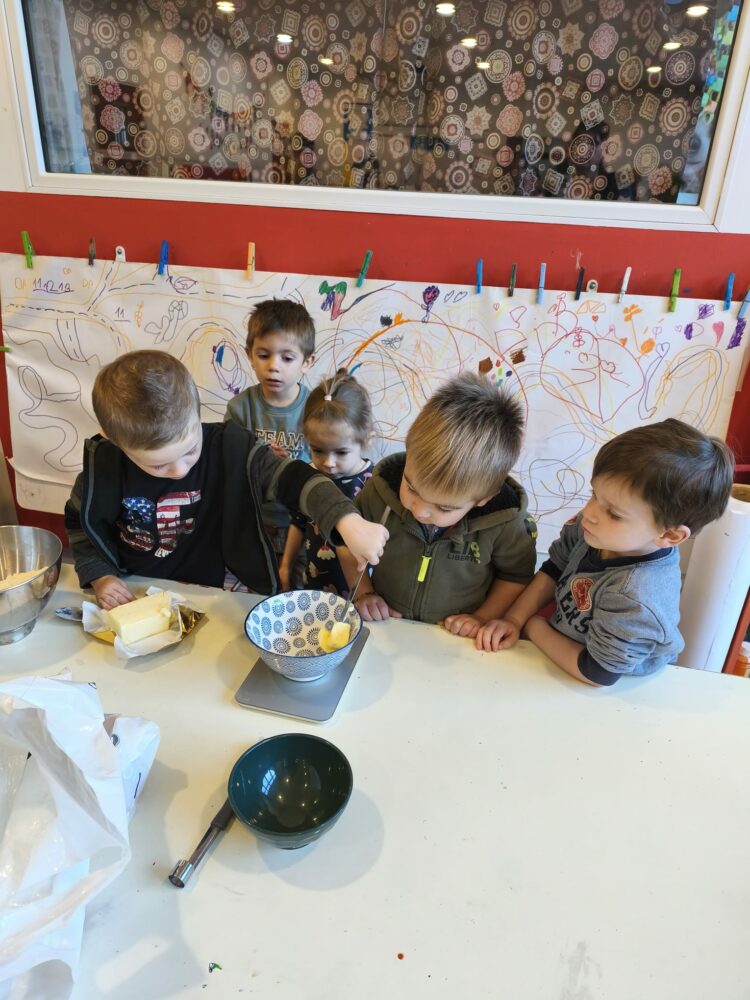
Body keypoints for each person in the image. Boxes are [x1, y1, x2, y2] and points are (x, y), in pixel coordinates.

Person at [64, 351, 388, 609]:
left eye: (190, 450)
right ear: (113, 440)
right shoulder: (103, 470)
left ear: (197, 410)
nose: (179, 470)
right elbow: (83, 529)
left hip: (215, 591)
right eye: (159, 466)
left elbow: (294, 478)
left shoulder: (232, 448)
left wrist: (346, 520)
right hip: (136, 589)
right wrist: (101, 576)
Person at [477, 419, 735, 686]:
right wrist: (513, 619)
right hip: (559, 648)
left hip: (617, 686)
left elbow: (597, 673)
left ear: (669, 535)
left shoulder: (636, 596)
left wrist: (532, 625)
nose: (589, 513)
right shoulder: (594, 530)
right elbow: (555, 567)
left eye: (613, 513)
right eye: (594, 495)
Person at [340, 372, 537, 630]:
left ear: (484, 499)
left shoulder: (506, 523)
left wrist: (482, 617)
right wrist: (363, 592)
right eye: (411, 488)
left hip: (455, 641)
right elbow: (345, 544)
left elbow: (515, 577)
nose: (420, 511)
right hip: (389, 627)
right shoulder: (378, 492)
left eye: (444, 507)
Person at [224, 298, 315, 570]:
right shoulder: (240, 408)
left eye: (287, 358)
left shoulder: (317, 409)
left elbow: (326, 465)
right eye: (264, 355)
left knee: (295, 588)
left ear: (307, 362)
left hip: (300, 524)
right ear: (249, 354)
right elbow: (229, 464)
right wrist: (258, 458)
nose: (274, 366)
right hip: (255, 520)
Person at [281, 370, 374, 593]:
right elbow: (297, 524)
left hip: (363, 592)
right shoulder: (308, 478)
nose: (329, 463)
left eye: (341, 452)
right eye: (317, 450)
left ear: (366, 441)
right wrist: (286, 565)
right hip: (314, 585)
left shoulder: (374, 483)